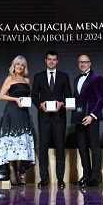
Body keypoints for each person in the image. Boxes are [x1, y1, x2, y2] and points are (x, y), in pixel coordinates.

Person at [0, 55, 36, 186]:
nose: (20, 67)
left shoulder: (27, 80)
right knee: (12, 142)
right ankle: (11, 171)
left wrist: (26, 102)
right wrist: (15, 99)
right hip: (12, 111)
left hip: (24, 113)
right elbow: (1, 95)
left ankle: (18, 171)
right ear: (14, 66)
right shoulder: (9, 79)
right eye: (18, 64)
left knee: (22, 143)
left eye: (22, 65)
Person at [31, 50, 72, 189]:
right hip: (44, 117)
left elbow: (68, 95)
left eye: (54, 59)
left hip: (59, 117)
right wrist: (40, 104)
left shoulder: (64, 76)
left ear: (57, 61)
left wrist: (62, 103)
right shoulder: (38, 76)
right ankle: (44, 178)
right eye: (49, 59)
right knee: (43, 148)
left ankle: (60, 178)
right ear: (45, 60)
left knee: (60, 148)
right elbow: (34, 96)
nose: (51, 62)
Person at [72, 54, 103, 188]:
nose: (83, 64)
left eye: (85, 62)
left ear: (90, 63)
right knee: (82, 147)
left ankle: (94, 178)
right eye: (80, 62)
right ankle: (86, 176)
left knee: (95, 148)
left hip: (92, 118)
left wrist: (92, 115)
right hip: (79, 119)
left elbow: (102, 98)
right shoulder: (76, 79)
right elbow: (76, 99)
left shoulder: (96, 77)